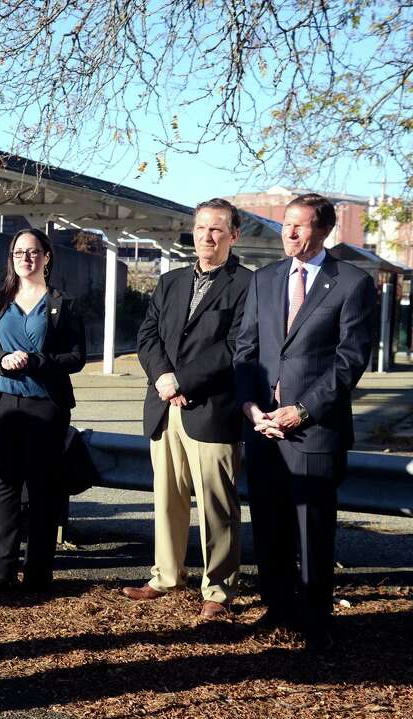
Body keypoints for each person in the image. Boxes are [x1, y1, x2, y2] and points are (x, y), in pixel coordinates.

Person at [234, 192, 375, 650]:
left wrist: (302, 410)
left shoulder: (352, 283)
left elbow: (348, 361)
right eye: (284, 224)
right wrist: (251, 408)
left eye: (300, 225)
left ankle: (317, 621)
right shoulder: (264, 280)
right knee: (270, 525)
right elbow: (246, 352)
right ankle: (277, 608)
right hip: (263, 429)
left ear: (324, 230)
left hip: (314, 429)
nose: (288, 233)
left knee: (312, 529)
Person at [122, 199, 251, 620]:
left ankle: (217, 589)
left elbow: (236, 347)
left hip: (211, 409)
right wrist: (163, 376)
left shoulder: (248, 285)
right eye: (200, 228)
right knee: (167, 498)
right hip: (164, 406)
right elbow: (147, 334)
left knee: (217, 505)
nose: (206, 236)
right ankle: (165, 575)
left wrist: (184, 380)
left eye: (216, 229)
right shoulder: (171, 281)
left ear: (233, 236)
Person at [0, 229, 85, 593]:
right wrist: (2, 360)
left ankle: (38, 573)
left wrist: (37, 360)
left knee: (42, 488)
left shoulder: (63, 303)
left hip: (45, 405)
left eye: (34, 252)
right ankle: (2, 572)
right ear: (12, 257)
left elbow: (76, 358)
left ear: (47, 257)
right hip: (0, 403)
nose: (26, 258)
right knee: (4, 485)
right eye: (19, 252)